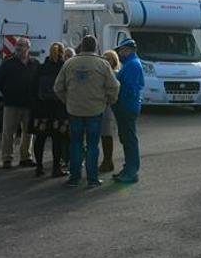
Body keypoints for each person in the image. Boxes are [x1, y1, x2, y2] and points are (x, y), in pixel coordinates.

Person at [54, 36, 119, 188]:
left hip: (74, 110)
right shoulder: (102, 64)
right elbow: (114, 87)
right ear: (96, 47)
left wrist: (67, 101)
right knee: (92, 146)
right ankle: (92, 179)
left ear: (81, 46)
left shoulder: (70, 63)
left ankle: (74, 178)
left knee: (75, 144)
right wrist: (108, 101)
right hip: (95, 110)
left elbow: (58, 87)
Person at [0, 37, 40, 169]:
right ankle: (7, 158)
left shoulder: (35, 64)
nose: (19, 47)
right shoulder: (8, 63)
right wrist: (8, 92)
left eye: (22, 45)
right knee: (8, 132)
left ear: (28, 48)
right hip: (11, 103)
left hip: (29, 104)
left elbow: (38, 82)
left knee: (28, 132)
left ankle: (26, 157)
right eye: (17, 45)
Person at [30, 42, 69, 178]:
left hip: (42, 108)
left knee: (40, 138)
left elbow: (33, 87)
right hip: (59, 108)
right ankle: (56, 167)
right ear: (62, 53)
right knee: (57, 139)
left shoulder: (41, 68)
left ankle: (39, 167)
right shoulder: (64, 68)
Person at [113, 38, 144, 183]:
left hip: (127, 106)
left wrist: (120, 99)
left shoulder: (131, 65)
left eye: (121, 50)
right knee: (127, 138)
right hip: (128, 106)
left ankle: (131, 171)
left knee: (129, 139)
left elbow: (131, 87)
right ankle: (128, 168)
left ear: (128, 50)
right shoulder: (131, 63)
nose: (119, 52)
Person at [99, 50, 121, 174]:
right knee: (104, 135)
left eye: (109, 59)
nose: (106, 61)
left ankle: (108, 161)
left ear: (114, 61)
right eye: (104, 58)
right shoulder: (104, 73)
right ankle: (107, 161)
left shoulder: (115, 74)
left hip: (109, 108)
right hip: (103, 107)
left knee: (107, 135)